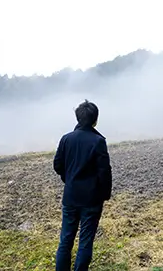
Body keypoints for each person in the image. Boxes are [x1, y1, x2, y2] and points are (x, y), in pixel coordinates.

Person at [53, 100, 112, 271]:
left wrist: (68, 178)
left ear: (78, 118)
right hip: (92, 200)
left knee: (66, 240)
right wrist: (105, 194)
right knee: (85, 241)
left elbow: (57, 165)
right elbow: (104, 172)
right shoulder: (98, 141)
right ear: (95, 120)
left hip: (70, 197)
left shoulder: (66, 139)